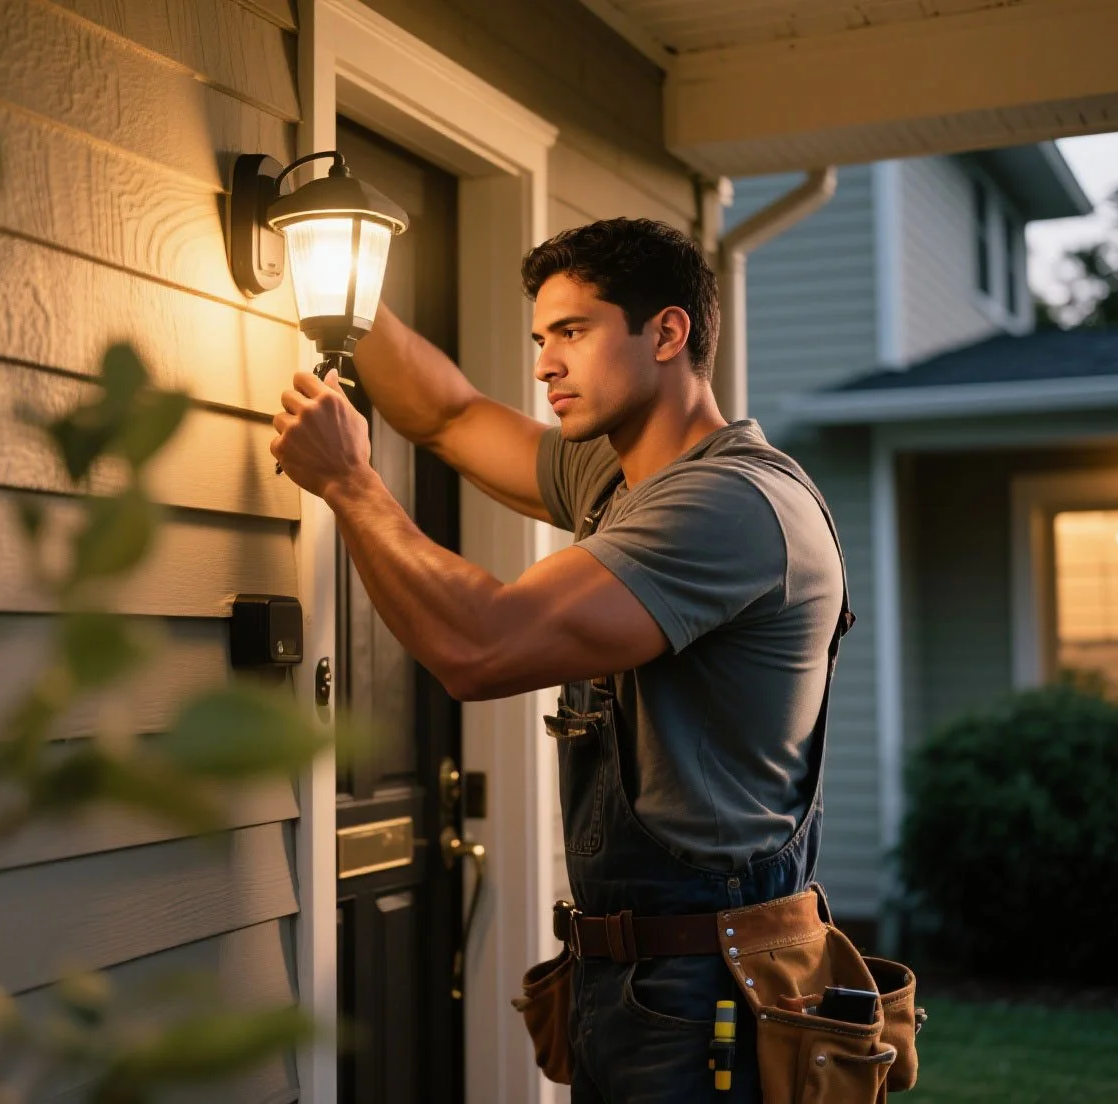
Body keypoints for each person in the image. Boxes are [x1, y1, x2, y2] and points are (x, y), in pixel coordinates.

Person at [269, 217, 850, 1103]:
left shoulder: (729, 505)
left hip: (709, 995)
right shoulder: (622, 476)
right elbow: (449, 415)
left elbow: (483, 645)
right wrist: (345, 285)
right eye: (541, 338)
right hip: (630, 982)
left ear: (666, 332)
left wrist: (352, 482)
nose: (544, 365)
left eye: (572, 332)